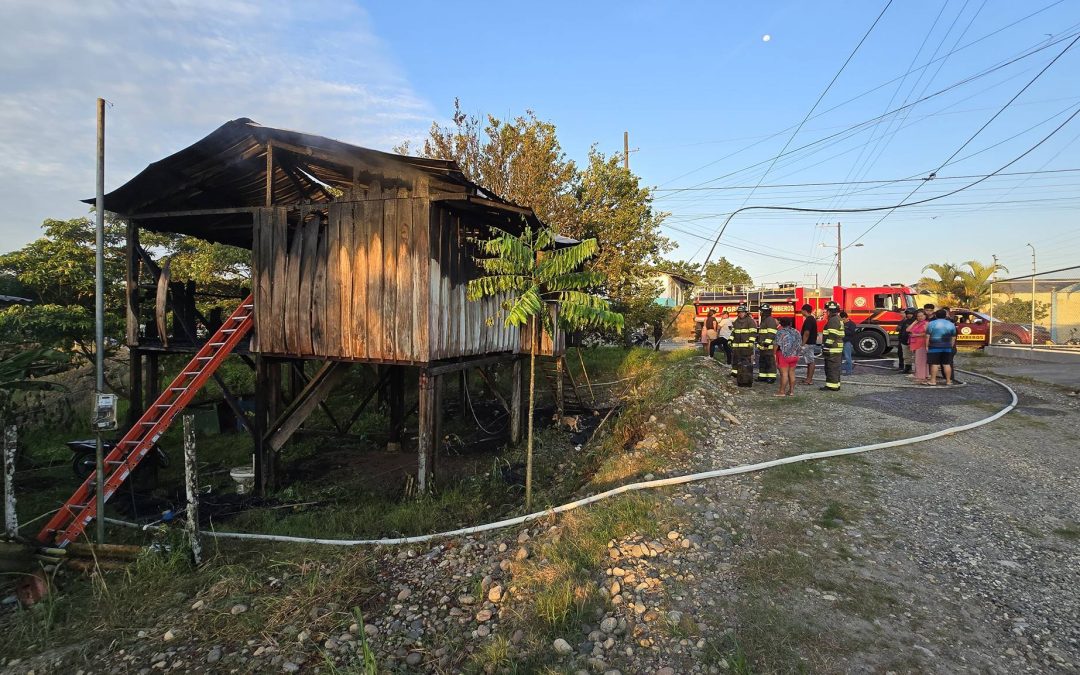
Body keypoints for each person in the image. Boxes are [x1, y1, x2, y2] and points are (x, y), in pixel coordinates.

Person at [924, 308, 957, 385]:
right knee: (946, 364)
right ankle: (948, 381)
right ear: (945, 315)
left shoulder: (931, 323)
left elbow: (927, 336)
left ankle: (933, 381)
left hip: (934, 346)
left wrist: (926, 345)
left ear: (935, 315)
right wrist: (951, 345)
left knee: (934, 364)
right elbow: (953, 337)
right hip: (947, 346)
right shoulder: (951, 324)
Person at [730, 304, 758, 387]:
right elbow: (733, 332)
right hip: (737, 347)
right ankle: (735, 375)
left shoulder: (750, 321)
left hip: (746, 347)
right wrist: (730, 339)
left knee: (746, 363)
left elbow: (753, 333)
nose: (740, 314)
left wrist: (751, 342)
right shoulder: (736, 321)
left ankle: (746, 378)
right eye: (739, 312)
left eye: (742, 312)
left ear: (745, 313)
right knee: (735, 361)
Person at [774, 316, 801, 397]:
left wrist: (774, 355)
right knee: (792, 373)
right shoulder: (796, 332)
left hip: (784, 355)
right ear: (791, 323)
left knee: (784, 374)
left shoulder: (780, 332)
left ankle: (782, 392)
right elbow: (800, 342)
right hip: (795, 355)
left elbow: (776, 344)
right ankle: (791, 391)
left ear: (781, 323)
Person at [820, 301, 844, 391]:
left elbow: (832, 335)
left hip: (832, 348)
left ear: (829, 311)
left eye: (826, 311)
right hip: (836, 347)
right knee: (835, 367)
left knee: (831, 367)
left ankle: (832, 386)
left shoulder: (833, 320)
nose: (826, 313)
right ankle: (836, 385)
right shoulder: (838, 318)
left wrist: (826, 345)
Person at [756, 303, 779, 383]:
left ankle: (771, 377)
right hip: (763, 346)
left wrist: (767, 342)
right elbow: (762, 333)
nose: (761, 312)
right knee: (762, 361)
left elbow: (772, 332)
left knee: (770, 362)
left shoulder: (770, 320)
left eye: (762, 311)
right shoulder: (764, 320)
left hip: (768, 346)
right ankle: (763, 376)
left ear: (765, 312)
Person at [799, 304, 819, 385]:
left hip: (808, 343)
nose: (801, 312)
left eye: (801, 310)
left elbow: (806, 332)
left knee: (810, 361)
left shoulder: (809, 320)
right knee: (809, 361)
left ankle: (809, 380)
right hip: (810, 343)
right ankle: (808, 378)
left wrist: (803, 344)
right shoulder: (811, 319)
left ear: (804, 310)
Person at [908, 309, 929, 382]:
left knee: (920, 360)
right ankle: (924, 374)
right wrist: (914, 322)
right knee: (919, 360)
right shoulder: (917, 323)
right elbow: (908, 330)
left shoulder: (926, 323)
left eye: (921, 316)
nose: (920, 317)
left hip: (922, 343)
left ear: (925, 316)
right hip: (915, 343)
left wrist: (916, 335)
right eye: (918, 316)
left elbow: (927, 333)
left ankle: (920, 376)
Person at [897, 308, 915, 374]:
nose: (909, 315)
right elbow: (900, 330)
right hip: (903, 340)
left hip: (912, 340)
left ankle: (915, 369)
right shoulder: (905, 321)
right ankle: (907, 368)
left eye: (911, 314)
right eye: (908, 314)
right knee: (905, 355)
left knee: (914, 356)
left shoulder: (915, 321)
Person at [840, 310, 856, 376]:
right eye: (841, 319)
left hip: (847, 342)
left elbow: (852, 333)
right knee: (839, 358)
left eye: (843, 319)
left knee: (847, 357)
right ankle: (839, 371)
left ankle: (848, 372)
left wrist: (843, 329)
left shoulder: (852, 324)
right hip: (840, 342)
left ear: (847, 318)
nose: (842, 321)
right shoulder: (840, 323)